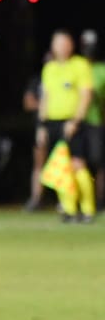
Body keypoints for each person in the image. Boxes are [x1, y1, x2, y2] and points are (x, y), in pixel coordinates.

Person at [38, 29, 96, 222]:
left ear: (71, 45)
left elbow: (85, 96)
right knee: (61, 167)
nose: (61, 47)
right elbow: (45, 98)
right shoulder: (49, 68)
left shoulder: (79, 65)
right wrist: (42, 125)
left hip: (73, 123)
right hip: (53, 123)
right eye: (57, 43)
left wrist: (75, 121)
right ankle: (69, 209)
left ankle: (88, 209)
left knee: (78, 164)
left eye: (64, 43)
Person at [79, 29, 105, 211]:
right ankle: (80, 202)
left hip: (96, 122)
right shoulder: (77, 66)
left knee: (97, 162)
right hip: (77, 122)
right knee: (79, 163)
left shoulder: (101, 69)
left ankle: (100, 200)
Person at [22, 51, 51, 212]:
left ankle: (65, 201)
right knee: (39, 164)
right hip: (41, 125)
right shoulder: (38, 80)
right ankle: (36, 198)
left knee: (62, 163)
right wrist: (47, 106)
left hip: (59, 124)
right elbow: (28, 102)